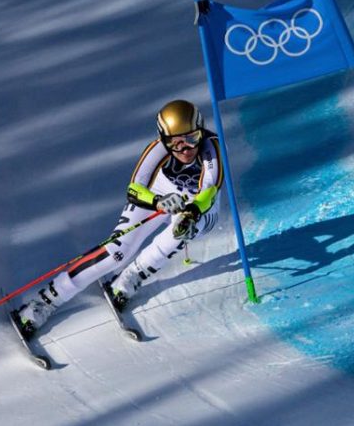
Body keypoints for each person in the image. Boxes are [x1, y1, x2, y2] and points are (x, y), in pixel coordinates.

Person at [13, 100, 223, 338]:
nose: (185, 149)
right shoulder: (157, 150)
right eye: (175, 143)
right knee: (116, 252)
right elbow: (134, 189)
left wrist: (192, 211)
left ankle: (130, 277)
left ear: (201, 131)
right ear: (164, 140)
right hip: (161, 193)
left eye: (192, 139)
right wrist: (157, 201)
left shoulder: (211, 148)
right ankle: (45, 301)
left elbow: (210, 188)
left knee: (181, 230)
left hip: (201, 203)